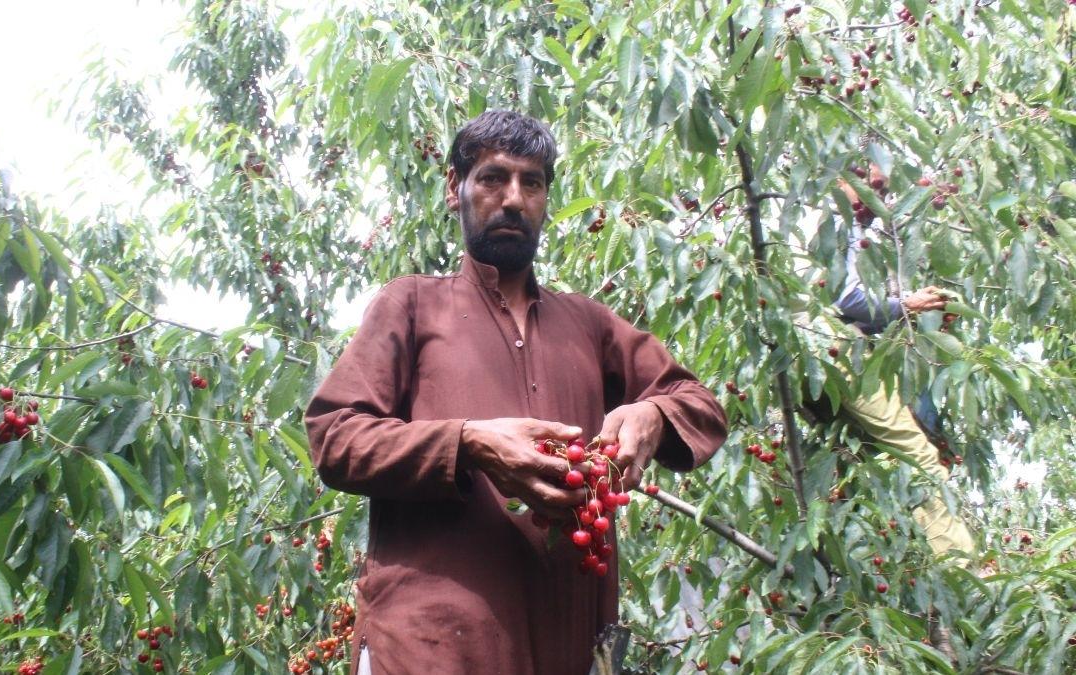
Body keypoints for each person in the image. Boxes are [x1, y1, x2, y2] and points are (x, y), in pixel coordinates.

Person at [304, 110, 727, 675]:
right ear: (454, 188)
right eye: (492, 178)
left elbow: (698, 403)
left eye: (532, 183)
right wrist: (467, 443)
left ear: (546, 199)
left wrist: (652, 414)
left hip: (568, 645)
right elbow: (335, 437)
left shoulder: (588, 324)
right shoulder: (411, 305)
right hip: (430, 650)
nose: (513, 199)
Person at [830, 169, 975, 556]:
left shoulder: (838, 228)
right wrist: (906, 306)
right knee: (916, 452)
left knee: (868, 457)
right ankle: (957, 562)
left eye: (882, 191)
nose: (875, 198)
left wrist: (913, 310)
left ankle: (900, 562)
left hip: (818, 359)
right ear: (840, 179)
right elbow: (847, 300)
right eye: (870, 185)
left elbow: (840, 304)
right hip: (829, 350)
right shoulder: (835, 220)